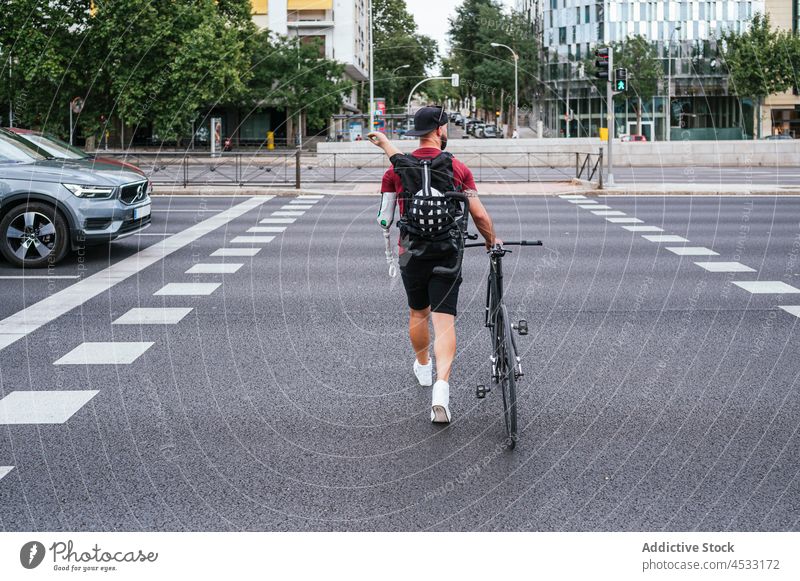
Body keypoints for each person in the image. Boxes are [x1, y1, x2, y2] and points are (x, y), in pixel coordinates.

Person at [368, 106, 498, 424]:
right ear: (440, 131)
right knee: (444, 321)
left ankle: (423, 367)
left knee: (417, 312)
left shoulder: (395, 171)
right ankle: (441, 391)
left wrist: (385, 143)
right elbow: (479, 215)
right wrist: (492, 241)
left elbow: (385, 217)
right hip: (447, 252)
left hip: (411, 253)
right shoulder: (457, 168)